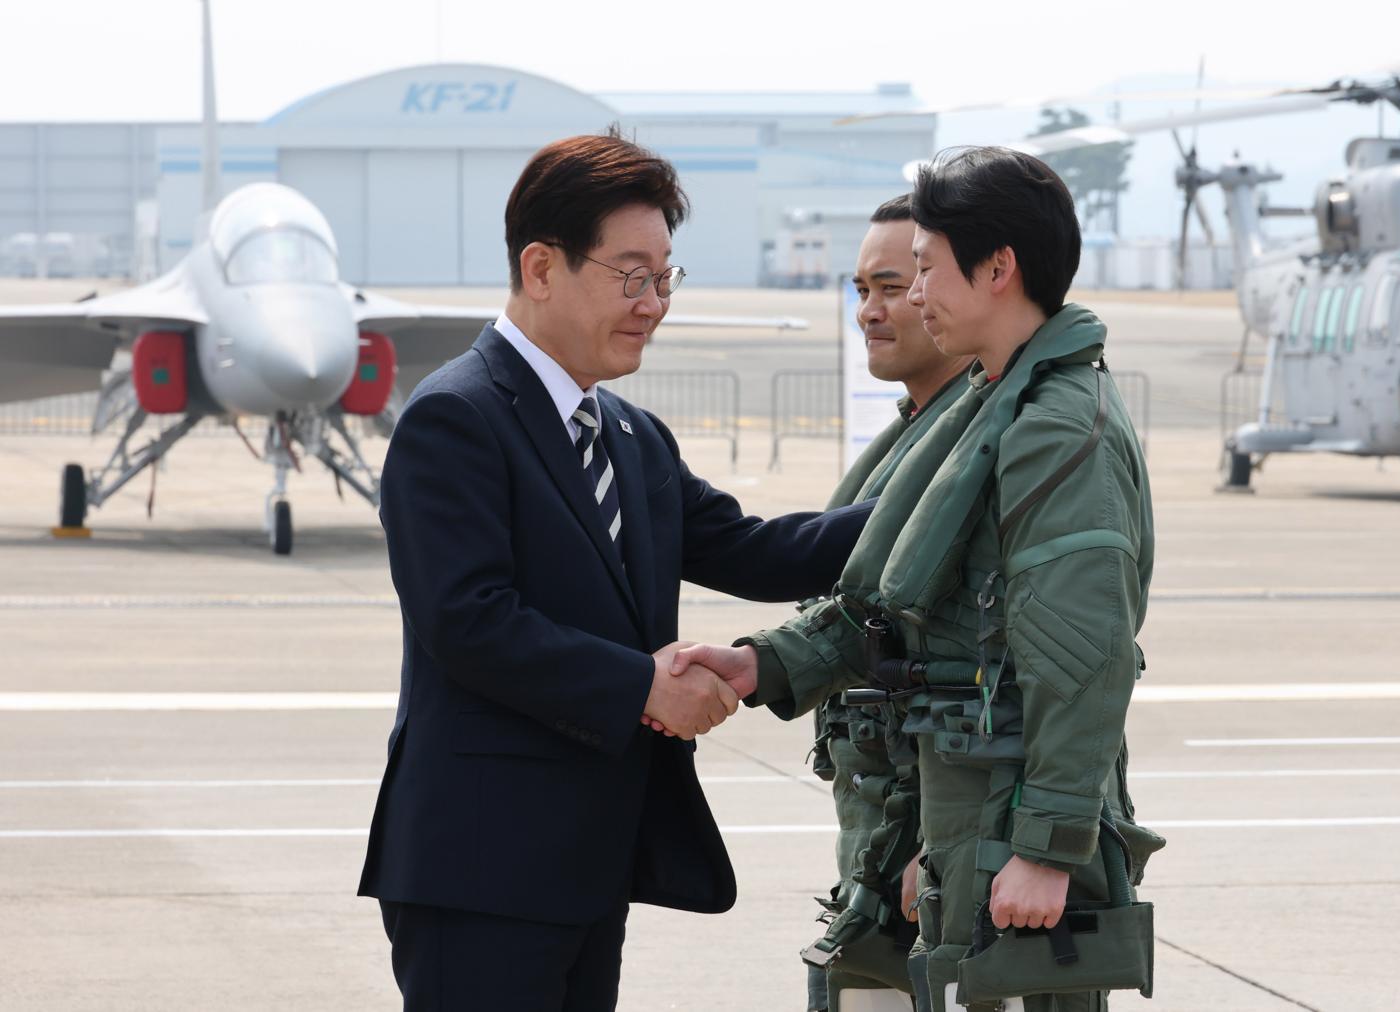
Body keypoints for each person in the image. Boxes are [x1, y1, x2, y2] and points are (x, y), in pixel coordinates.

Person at [357, 129, 873, 1012]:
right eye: (632, 277)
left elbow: (756, 550)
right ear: (541, 267)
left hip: (589, 866)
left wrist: (942, 493)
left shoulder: (630, 435)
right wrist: (643, 686)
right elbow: (468, 620)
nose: (653, 305)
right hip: (479, 865)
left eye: (665, 279)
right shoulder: (456, 417)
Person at [676, 146, 1163, 1011]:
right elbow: (899, 607)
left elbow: (1084, 657)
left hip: (1004, 849)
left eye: (927, 269)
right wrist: (763, 665)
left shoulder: (1055, 429)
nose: (915, 294)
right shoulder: (988, 408)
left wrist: (1046, 851)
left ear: (998, 269)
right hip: (957, 822)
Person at [804, 193, 974, 1011]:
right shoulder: (917, 435)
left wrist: (944, 848)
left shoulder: (988, 448)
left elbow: (1013, 669)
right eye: (860, 290)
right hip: (883, 849)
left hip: (934, 864)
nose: (869, 311)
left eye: (894, 286)